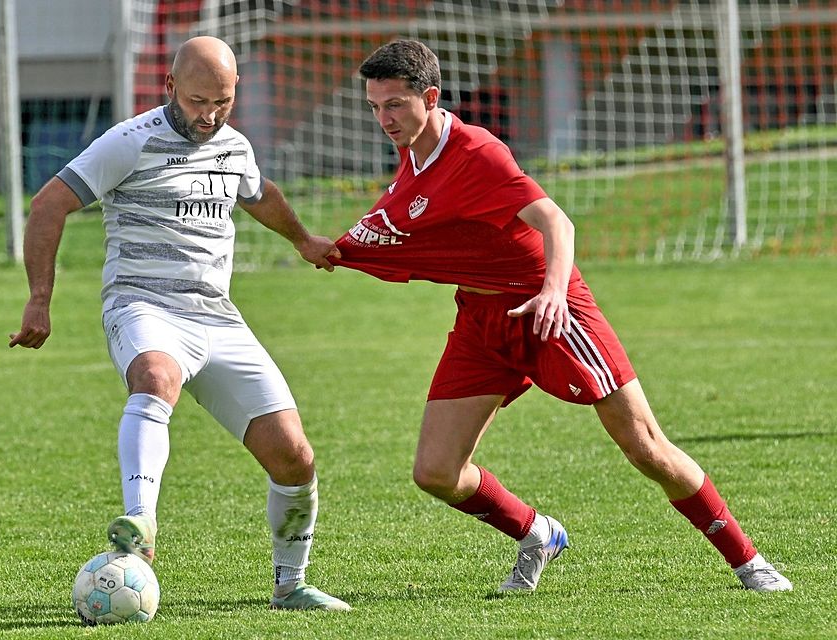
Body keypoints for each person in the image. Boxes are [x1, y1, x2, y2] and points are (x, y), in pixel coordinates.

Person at [330, 39, 792, 594]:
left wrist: (552, 291)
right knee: (436, 472)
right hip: (482, 320)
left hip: (550, 309)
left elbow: (556, 221)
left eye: (394, 105)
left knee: (645, 446)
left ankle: (748, 561)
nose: (384, 119)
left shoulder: (477, 152)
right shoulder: (413, 153)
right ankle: (536, 533)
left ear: (430, 97)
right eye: (375, 107)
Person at [9, 36, 350, 611]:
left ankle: (290, 585)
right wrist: (39, 299)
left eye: (222, 102)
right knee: (155, 377)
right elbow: (48, 204)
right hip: (142, 305)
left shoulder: (234, 146)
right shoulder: (129, 142)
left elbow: (258, 194)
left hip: (216, 315)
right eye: (197, 101)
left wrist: (302, 240)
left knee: (294, 455)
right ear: (170, 86)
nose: (209, 116)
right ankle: (139, 523)